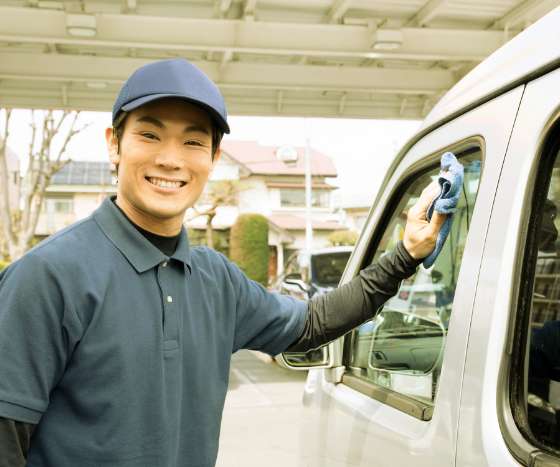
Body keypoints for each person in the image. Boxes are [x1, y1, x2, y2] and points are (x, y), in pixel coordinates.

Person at [0, 58, 446, 467]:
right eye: (149, 134)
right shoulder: (47, 277)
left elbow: (310, 324)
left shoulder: (216, 279)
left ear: (213, 158)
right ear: (114, 144)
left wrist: (405, 255)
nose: (170, 159)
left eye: (192, 141)